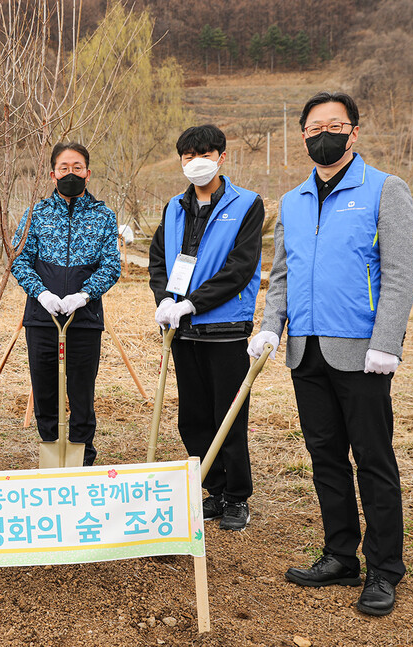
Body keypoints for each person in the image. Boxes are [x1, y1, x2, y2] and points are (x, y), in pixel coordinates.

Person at [248, 92, 413, 616]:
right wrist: (270, 327)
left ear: (354, 133)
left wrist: (386, 342)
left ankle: (384, 567)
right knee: (325, 460)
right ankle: (341, 554)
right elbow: (282, 274)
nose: (325, 133)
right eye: (315, 126)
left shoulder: (385, 190)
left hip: (362, 355)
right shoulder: (294, 200)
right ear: (302, 135)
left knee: (372, 459)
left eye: (336, 125)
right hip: (307, 353)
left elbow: (399, 274)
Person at [148, 124, 264, 531]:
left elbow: (239, 268)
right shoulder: (173, 208)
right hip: (181, 331)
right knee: (193, 417)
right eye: (187, 156)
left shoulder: (248, 204)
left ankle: (237, 496)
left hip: (225, 328)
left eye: (204, 154)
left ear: (221, 157)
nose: (196, 162)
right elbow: (159, 259)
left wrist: (194, 304)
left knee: (227, 415)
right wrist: (165, 298)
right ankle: (213, 490)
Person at [11, 141, 121, 466]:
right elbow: (19, 260)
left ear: (88, 173)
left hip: (84, 320)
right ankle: (51, 452)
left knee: (82, 392)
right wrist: (41, 293)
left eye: (77, 168)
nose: (70, 173)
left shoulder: (103, 216)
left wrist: (84, 295)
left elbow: (111, 265)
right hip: (42, 319)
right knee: (45, 391)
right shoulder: (37, 214)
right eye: (64, 168)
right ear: (52, 174)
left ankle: (82, 458)